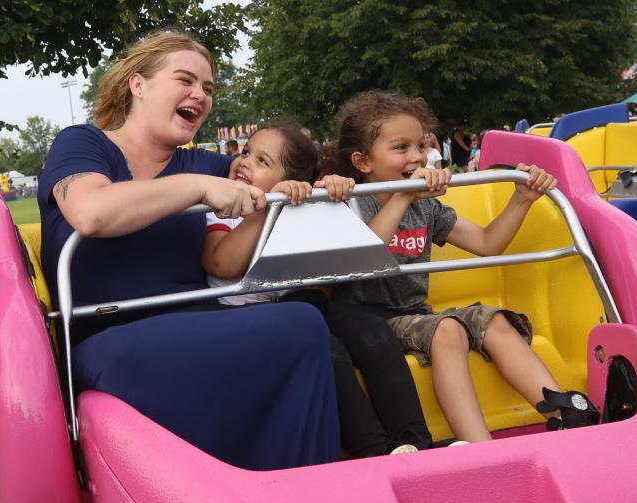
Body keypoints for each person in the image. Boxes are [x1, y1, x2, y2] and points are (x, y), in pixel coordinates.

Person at [37, 30, 339, 471]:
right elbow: (91, 212)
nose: (200, 95)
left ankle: (299, 487)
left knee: (303, 323)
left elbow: (273, 175)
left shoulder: (211, 165)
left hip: (199, 317)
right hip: (107, 334)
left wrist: (321, 183)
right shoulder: (84, 144)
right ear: (137, 85)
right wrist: (198, 187)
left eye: (208, 89)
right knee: (129, 360)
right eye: (185, 81)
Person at [326, 91, 601, 442]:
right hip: (372, 321)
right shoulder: (350, 203)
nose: (417, 157)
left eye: (421, 146)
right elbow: (365, 256)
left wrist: (522, 199)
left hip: (416, 314)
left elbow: (488, 243)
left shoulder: (426, 208)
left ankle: (565, 414)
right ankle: (478, 445)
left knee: (495, 319)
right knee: (449, 331)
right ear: (363, 162)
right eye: (401, 148)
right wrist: (404, 195)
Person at [202, 122, 435, 457]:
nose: (245, 162)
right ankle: (373, 450)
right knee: (326, 350)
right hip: (245, 314)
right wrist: (269, 204)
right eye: (246, 153)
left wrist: (330, 189)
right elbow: (222, 264)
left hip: (299, 304)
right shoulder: (225, 209)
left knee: (373, 333)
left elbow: (343, 252)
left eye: (262, 161)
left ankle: (415, 440)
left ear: (294, 179)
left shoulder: (300, 205)